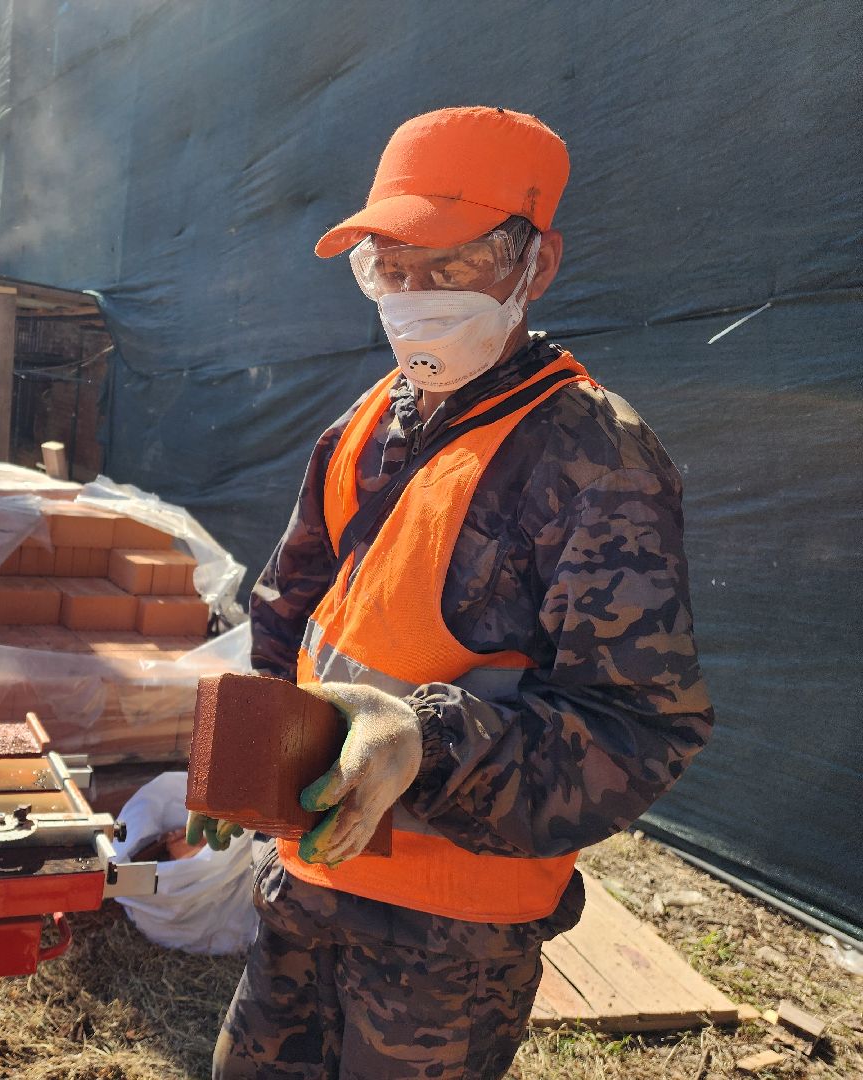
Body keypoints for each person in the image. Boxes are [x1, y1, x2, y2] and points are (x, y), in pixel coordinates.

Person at [189, 106, 714, 1079]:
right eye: (391, 265)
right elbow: (290, 605)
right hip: (311, 872)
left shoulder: (595, 460)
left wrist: (422, 743)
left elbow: (642, 730)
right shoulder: (364, 421)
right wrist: (248, 751)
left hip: (448, 940)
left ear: (536, 265)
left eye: (454, 263)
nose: (414, 295)